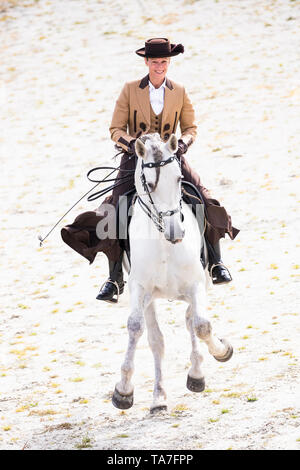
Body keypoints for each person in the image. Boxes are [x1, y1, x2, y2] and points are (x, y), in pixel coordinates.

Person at [61, 38, 239, 304]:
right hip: (136, 159)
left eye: (164, 62)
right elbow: (115, 129)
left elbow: (191, 128)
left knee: (202, 197)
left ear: (169, 63)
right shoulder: (130, 90)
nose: (159, 66)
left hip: (171, 157)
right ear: (146, 62)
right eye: (155, 62)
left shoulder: (179, 90)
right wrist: (132, 144)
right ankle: (114, 278)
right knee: (115, 208)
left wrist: (182, 144)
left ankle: (215, 261)